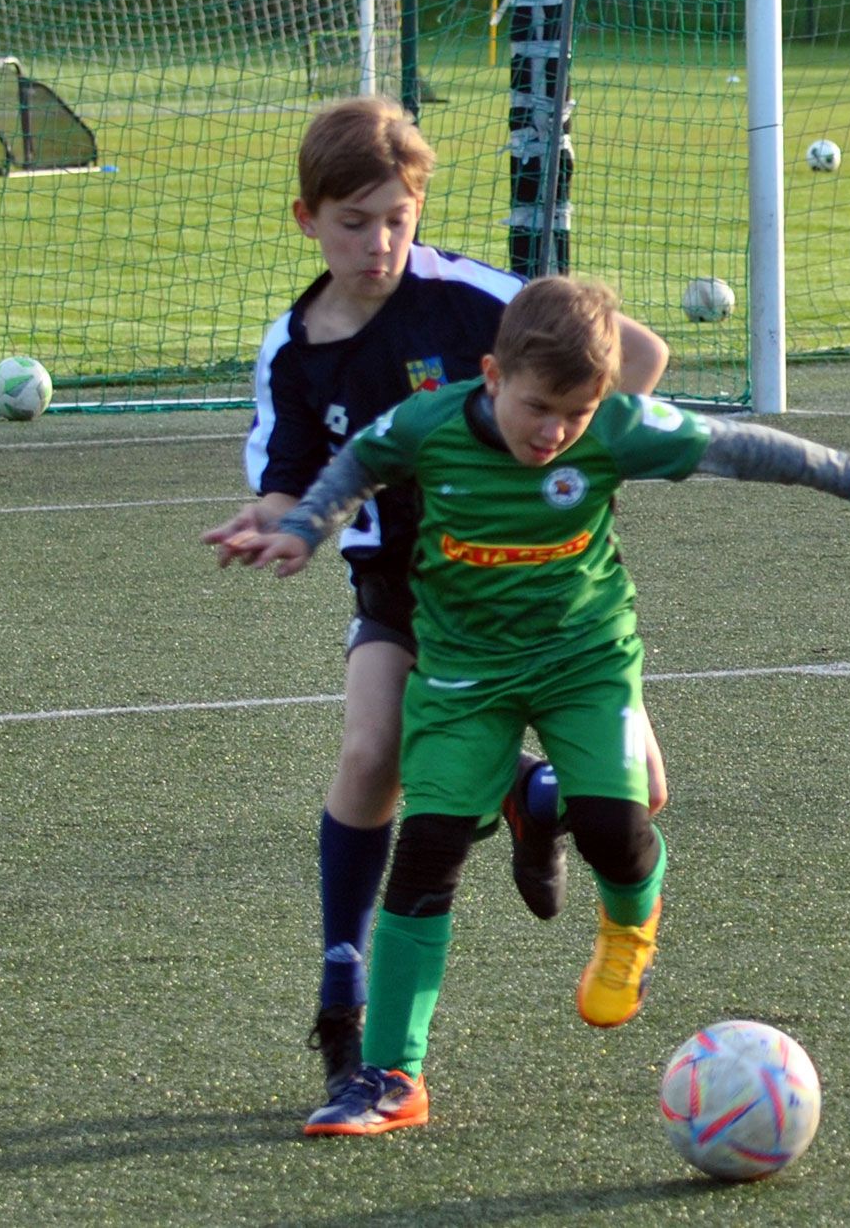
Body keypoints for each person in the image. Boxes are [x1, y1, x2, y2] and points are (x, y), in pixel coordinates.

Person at [212, 273, 850, 1136]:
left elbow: (738, 445)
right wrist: (302, 527)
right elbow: (356, 465)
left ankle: (629, 931)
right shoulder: (428, 422)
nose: (557, 432)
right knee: (427, 853)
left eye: (578, 413)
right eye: (540, 409)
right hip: (463, 674)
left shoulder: (616, 427)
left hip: (584, 663)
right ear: (491, 375)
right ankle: (390, 1076)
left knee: (614, 822)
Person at [198, 96, 674, 1106]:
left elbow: (633, 356)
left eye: (395, 220)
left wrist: (569, 468)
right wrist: (271, 520)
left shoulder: (466, 297)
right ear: (306, 218)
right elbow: (290, 476)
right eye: (352, 222)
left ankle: (536, 793)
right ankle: (345, 978)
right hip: (404, 586)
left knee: (639, 799)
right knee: (371, 753)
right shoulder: (294, 352)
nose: (377, 244)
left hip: (541, 593)